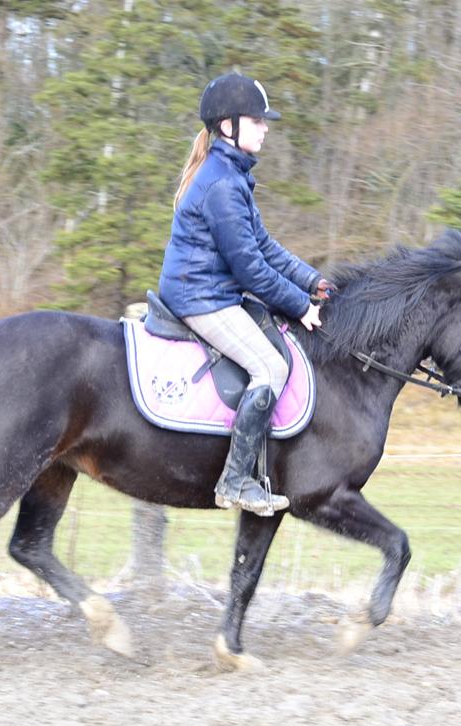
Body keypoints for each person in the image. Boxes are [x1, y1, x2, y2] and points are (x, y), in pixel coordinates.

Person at [159, 72, 336, 516]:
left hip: (214, 290)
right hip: (200, 297)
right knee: (271, 368)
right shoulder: (222, 184)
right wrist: (301, 307)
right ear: (228, 126)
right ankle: (235, 481)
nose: (265, 128)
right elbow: (251, 269)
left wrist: (311, 281)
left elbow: (264, 246)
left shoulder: (232, 175)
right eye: (257, 121)